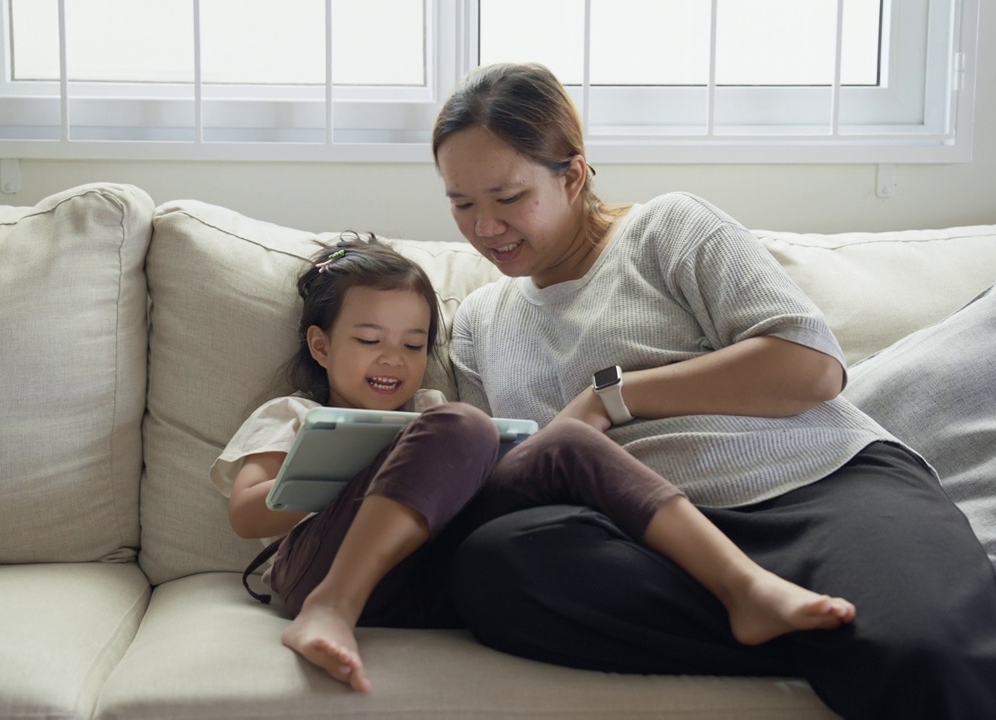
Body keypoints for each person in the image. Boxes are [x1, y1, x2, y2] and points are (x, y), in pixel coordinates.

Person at [431, 62, 996, 720]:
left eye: (508, 197)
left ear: (572, 175)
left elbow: (809, 366)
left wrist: (611, 398)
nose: (484, 227)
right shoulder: (479, 323)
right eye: (462, 204)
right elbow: (499, 476)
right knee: (494, 567)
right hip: (652, 540)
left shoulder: (668, 229)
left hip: (817, 485)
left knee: (929, 659)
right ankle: (842, 633)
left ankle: (895, 636)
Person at [213, 233, 859, 694]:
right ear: (322, 346)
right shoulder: (292, 414)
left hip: (425, 575)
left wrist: (440, 458)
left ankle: (744, 587)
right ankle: (334, 609)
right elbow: (248, 515)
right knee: (461, 425)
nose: (393, 360)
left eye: (413, 344)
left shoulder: (435, 406)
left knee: (564, 441)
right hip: (317, 570)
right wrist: (356, 471)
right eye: (369, 341)